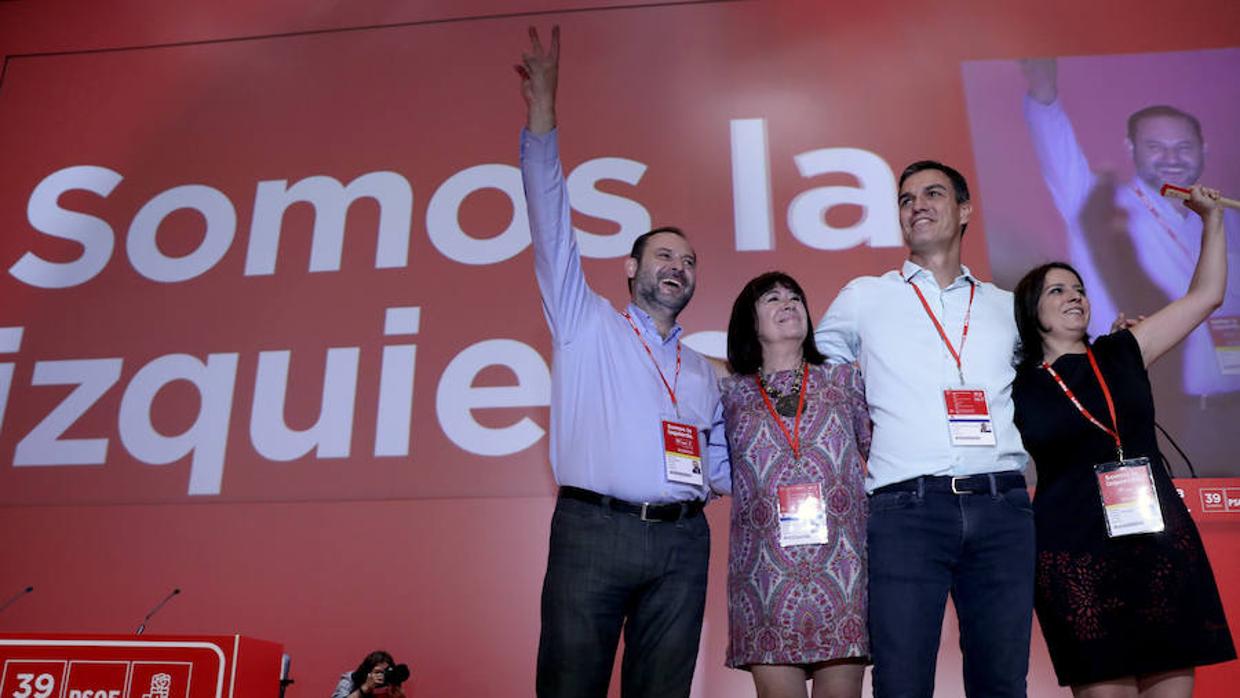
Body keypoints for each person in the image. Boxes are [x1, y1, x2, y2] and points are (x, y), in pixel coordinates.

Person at [515, 26, 730, 698]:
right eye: (664, 255)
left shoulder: (704, 370)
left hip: (681, 544)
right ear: (632, 267)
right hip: (593, 533)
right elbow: (550, 221)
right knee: (570, 686)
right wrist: (544, 114)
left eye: (688, 261)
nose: (678, 267)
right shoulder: (586, 323)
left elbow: (722, 465)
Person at [815, 161, 1034, 697]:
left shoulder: (1007, 308)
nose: (917, 205)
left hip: (1002, 506)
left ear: (964, 211)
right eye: (906, 198)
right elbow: (809, 377)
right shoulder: (865, 297)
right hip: (905, 511)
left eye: (932, 194)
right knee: (902, 681)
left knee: (1002, 682)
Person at [1010, 185, 1236, 697]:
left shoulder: (1122, 350)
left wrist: (1212, 220)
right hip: (1076, 557)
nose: (1075, 297)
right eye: (1057, 291)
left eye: (1078, 288)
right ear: (1032, 312)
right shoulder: (1015, 386)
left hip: (1159, 545)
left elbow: (1206, 296)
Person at [1020, 58, 1240, 473]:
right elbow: (1058, 151)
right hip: (1178, 417)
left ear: (1204, 149)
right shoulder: (1103, 206)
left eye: (1183, 147)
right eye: (1155, 147)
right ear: (1131, 148)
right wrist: (1045, 97)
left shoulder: (1228, 217)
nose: (1171, 159)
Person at [721, 271, 871, 698]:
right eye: (772, 298)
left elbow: (880, 456)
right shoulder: (730, 394)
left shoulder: (843, 381)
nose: (788, 303)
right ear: (750, 322)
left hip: (842, 570)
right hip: (764, 575)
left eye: (795, 297)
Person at [330, 650, 407, 698]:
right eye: (378, 672)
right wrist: (365, 688)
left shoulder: (390, 682)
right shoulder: (351, 679)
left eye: (385, 672)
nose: (381, 676)